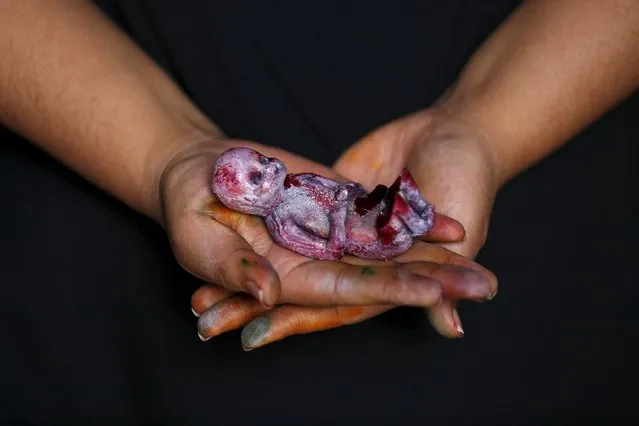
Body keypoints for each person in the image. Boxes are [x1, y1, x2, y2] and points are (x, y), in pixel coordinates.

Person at [0, 0, 637, 424]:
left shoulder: (334, 208)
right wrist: (164, 156)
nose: (274, 178)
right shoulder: (291, 209)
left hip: (553, 173)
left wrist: (486, 129)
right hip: (93, 156)